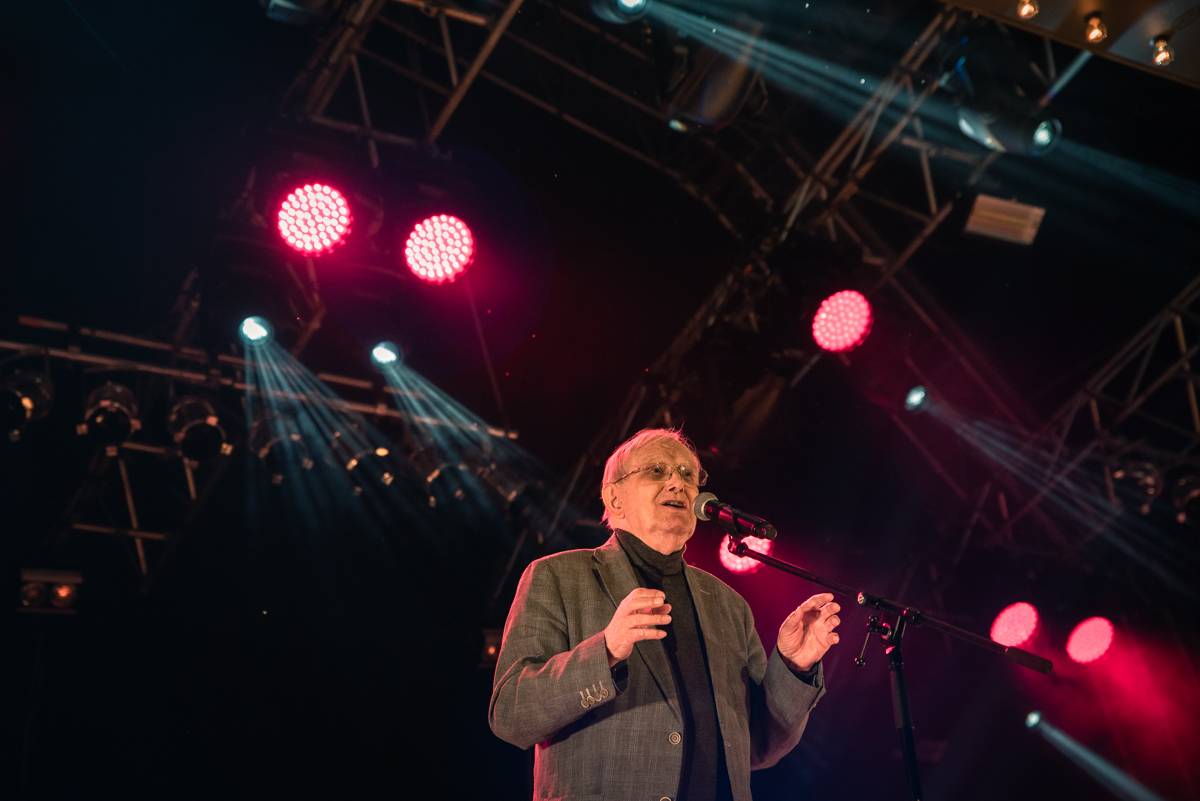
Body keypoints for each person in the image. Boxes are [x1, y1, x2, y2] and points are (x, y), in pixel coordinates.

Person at [489, 428, 840, 801]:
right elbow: (512, 715)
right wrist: (605, 650)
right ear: (614, 497)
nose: (678, 482)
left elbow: (756, 747)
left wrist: (791, 668)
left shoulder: (728, 604)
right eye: (657, 471)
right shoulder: (558, 576)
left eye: (688, 475)